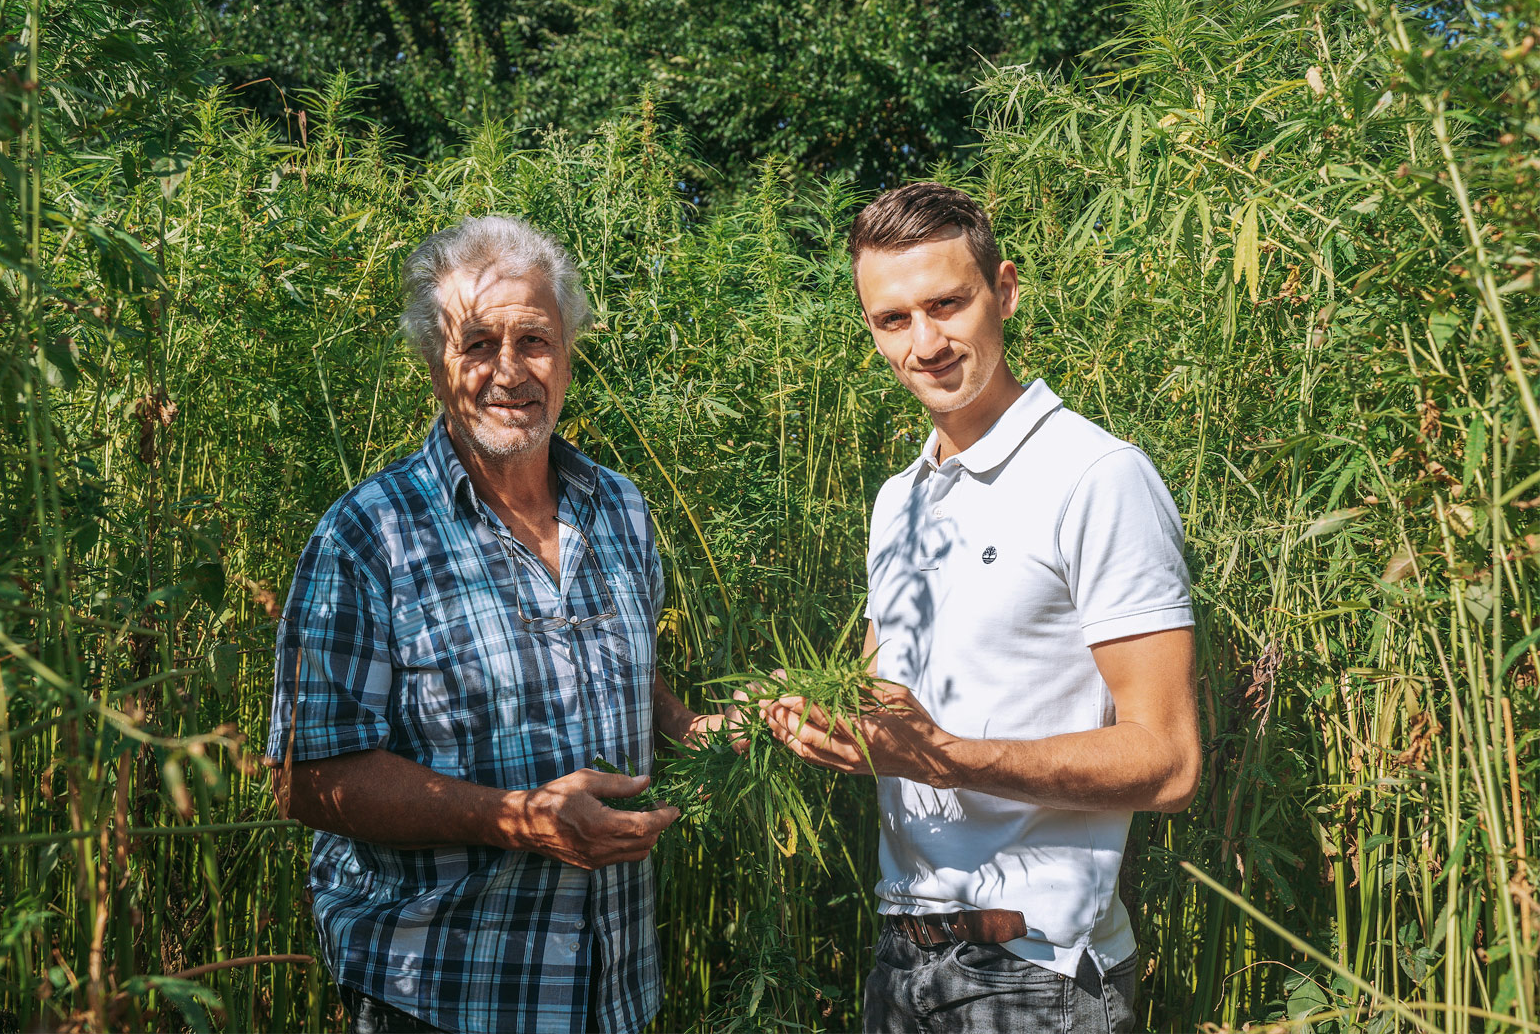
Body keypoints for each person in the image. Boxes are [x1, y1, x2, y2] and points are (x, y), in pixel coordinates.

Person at [266, 215, 724, 1034]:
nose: (508, 371)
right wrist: (518, 818)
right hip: (443, 992)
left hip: (612, 991)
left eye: (535, 341)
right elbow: (305, 777)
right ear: (434, 363)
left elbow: (626, 662)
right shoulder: (369, 534)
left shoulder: (618, 507)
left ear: (571, 351)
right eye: (476, 342)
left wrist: (690, 727)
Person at [760, 182, 1201, 1034]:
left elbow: (1171, 759)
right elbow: (889, 702)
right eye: (893, 319)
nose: (924, 344)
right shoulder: (899, 499)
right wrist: (817, 712)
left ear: (1004, 290)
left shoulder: (1097, 476)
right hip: (902, 957)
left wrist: (945, 756)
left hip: (1038, 972)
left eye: (946, 304)